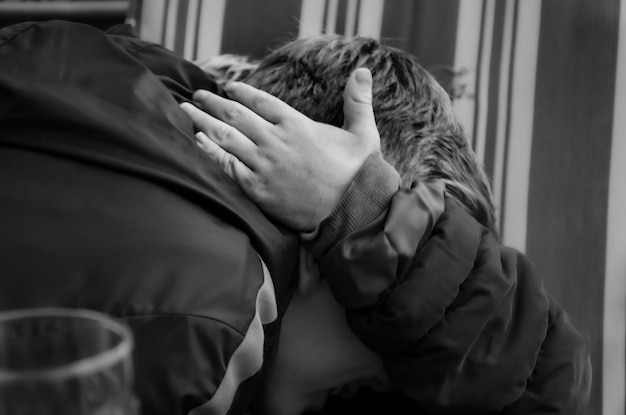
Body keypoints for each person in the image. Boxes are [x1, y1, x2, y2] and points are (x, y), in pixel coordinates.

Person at [0, 20, 400, 415]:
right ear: (329, 238)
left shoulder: (123, 68)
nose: (391, 376)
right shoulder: (215, 336)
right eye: (389, 275)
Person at [181, 36, 592, 414]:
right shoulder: (184, 330)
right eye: (398, 303)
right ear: (315, 250)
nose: (394, 372)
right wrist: (362, 215)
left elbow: (539, 393)